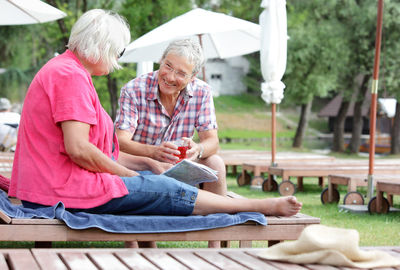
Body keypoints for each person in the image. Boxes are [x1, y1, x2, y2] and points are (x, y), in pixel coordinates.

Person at [9, 9, 302, 247]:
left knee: (159, 179)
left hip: (57, 184)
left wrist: (146, 163)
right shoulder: (68, 76)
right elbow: (79, 149)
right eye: (117, 50)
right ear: (100, 48)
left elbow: (98, 150)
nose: (118, 57)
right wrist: (132, 176)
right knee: (161, 188)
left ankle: (243, 210)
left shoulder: (68, 70)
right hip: (62, 189)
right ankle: (259, 206)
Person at [115, 39, 227, 197]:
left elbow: (213, 142)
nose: (170, 77)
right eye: (168, 66)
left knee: (216, 163)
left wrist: (198, 149)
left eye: (181, 73)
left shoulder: (202, 92)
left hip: (180, 170)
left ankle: (219, 217)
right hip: (141, 168)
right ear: (161, 60)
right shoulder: (134, 89)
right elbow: (120, 141)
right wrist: (154, 152)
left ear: (193, 76)